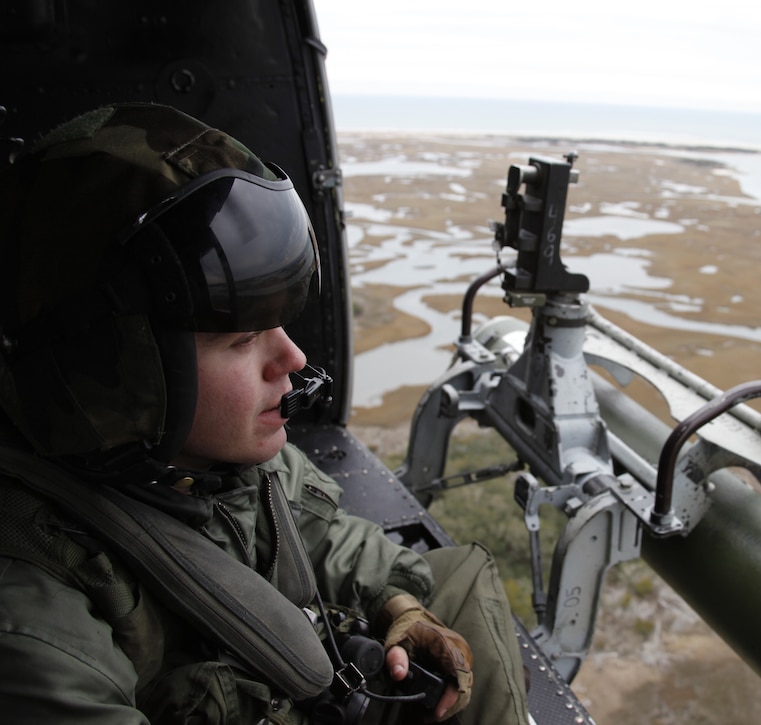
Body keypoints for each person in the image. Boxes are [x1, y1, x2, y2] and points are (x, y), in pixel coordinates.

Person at [0, 102, 530, 724]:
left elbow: (320, 534)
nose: (293, 356)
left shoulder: (211, 463)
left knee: (457, 578)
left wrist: (397, 604)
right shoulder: (34, 620)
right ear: (114, 368)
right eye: (241, 340)